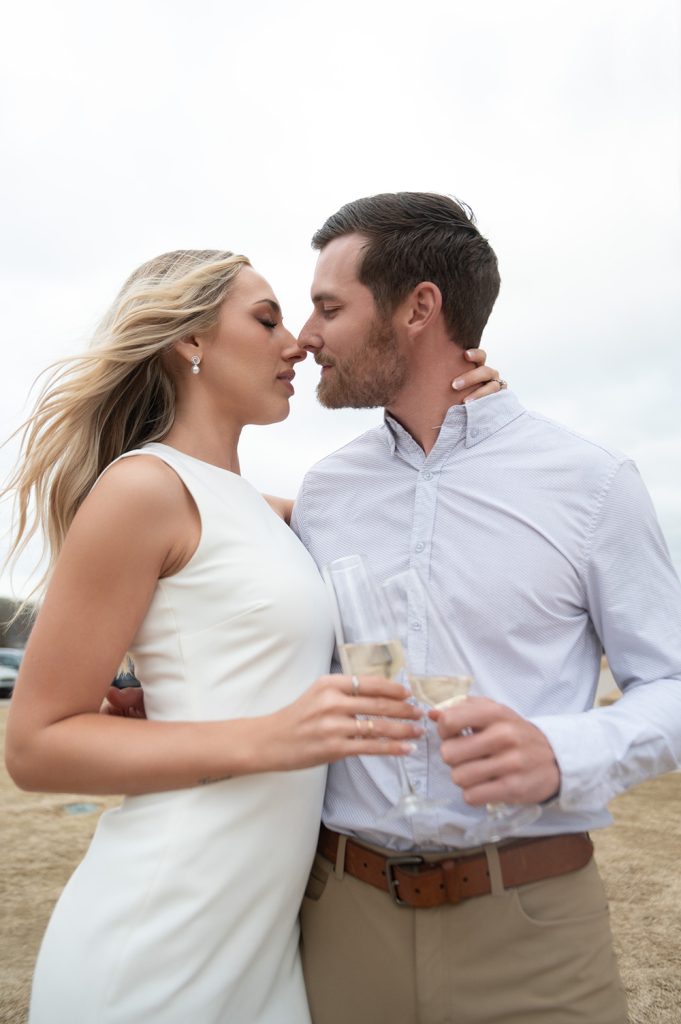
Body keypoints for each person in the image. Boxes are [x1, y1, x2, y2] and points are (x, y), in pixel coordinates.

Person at [4, 247, 481, 1024]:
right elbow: (34, 745)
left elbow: (403, 509)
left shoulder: (265, 511)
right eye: (266, 320)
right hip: (160, 936)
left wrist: (468, 407)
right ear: (189, 341)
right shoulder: (142, 491)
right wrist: (269, 737)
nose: (295, 342)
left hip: (263, 947)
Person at [289, 193, 681, 1024]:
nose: (305, 335)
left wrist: (564, 749)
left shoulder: (592, 484)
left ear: (418, 308)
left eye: (328, 307)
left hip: (536, 933)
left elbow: (671, 682)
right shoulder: (323, 494)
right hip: (339, 921)